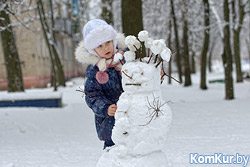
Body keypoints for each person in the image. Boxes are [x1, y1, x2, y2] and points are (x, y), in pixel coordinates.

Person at [75, 19, 126, 149]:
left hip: (132, 116)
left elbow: (141, 77)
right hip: (110, 123)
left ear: (113, 41)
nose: (106, 48)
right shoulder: (94, 70)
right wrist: (105, 108)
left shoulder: (125, 59)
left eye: (108, 42)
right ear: (93, 50)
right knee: (113, 153)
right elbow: (91, 95)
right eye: (100, 46)